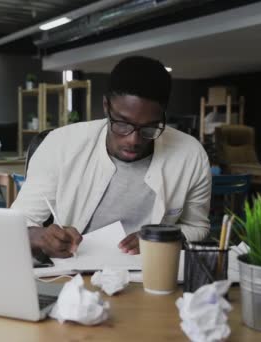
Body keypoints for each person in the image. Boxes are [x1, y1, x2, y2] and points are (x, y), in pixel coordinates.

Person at [11, 56, 211, 258]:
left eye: (149, 127)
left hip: (149, 273)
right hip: (74, 273)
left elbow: (197, 227)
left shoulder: (190, 154)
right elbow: (17, 223)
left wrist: (162, 237)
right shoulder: (60, 144)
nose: (133, 140)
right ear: (106, 106)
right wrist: (40, 236)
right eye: (122, 124)